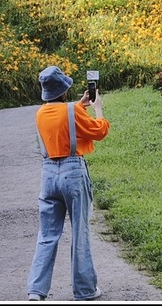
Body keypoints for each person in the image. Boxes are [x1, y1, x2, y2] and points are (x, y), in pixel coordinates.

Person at [27, 65, 110, 301]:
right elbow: (99, 131)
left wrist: (80, 104)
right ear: (64, 91)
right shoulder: (73, 112)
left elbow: (62, 114)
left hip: (48, 173)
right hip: (73, 172)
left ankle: (36, 289)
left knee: (47, 234)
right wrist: (98, 109)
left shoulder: (41, 113)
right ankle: (84, 290)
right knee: (79, 232)